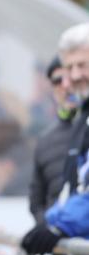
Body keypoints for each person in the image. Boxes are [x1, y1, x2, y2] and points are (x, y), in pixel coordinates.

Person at [22, 22, 89, 255]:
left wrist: (58, 227)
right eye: (70, 68)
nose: (74, 77)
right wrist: (49, 225)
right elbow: (73, 189)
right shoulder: (81, 121)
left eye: (82, 65)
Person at [29, 56, 77, 224]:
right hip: (59, 244)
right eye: (57, 81)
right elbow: (36, 202)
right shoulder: (44, 142)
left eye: (71, 78)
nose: (66, 86)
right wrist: (50, 230)